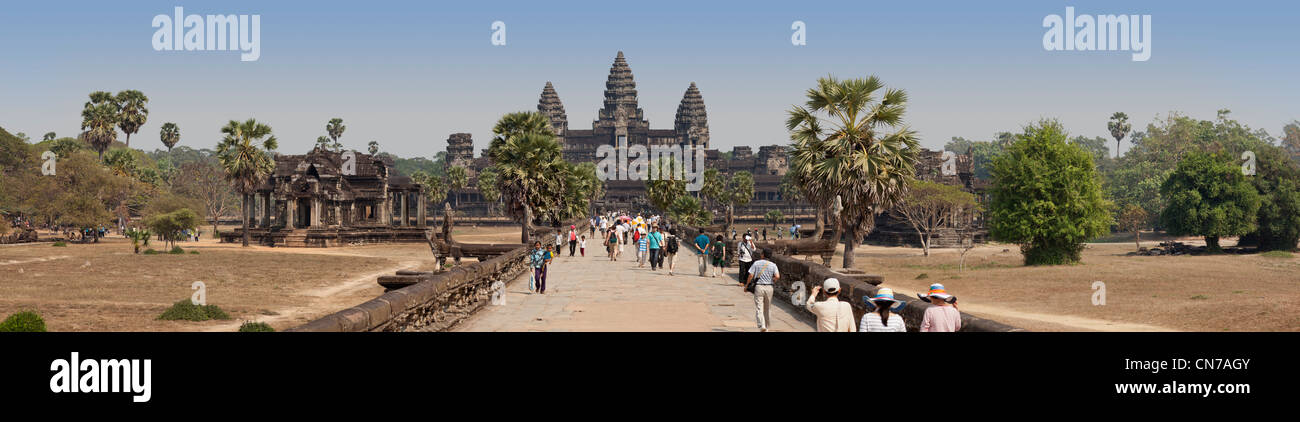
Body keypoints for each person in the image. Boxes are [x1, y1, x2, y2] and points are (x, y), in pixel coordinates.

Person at [746, 250, 780, 332]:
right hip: (769, 287)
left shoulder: (756, 263)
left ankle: (762, 325)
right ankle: (767, 327)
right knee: (767, 308)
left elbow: (751, 275)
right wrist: (773, 280)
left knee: (759, 307)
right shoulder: (773, 265)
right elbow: (777, 276)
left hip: (759, 287)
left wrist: (747, 285)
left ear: (762, 255)